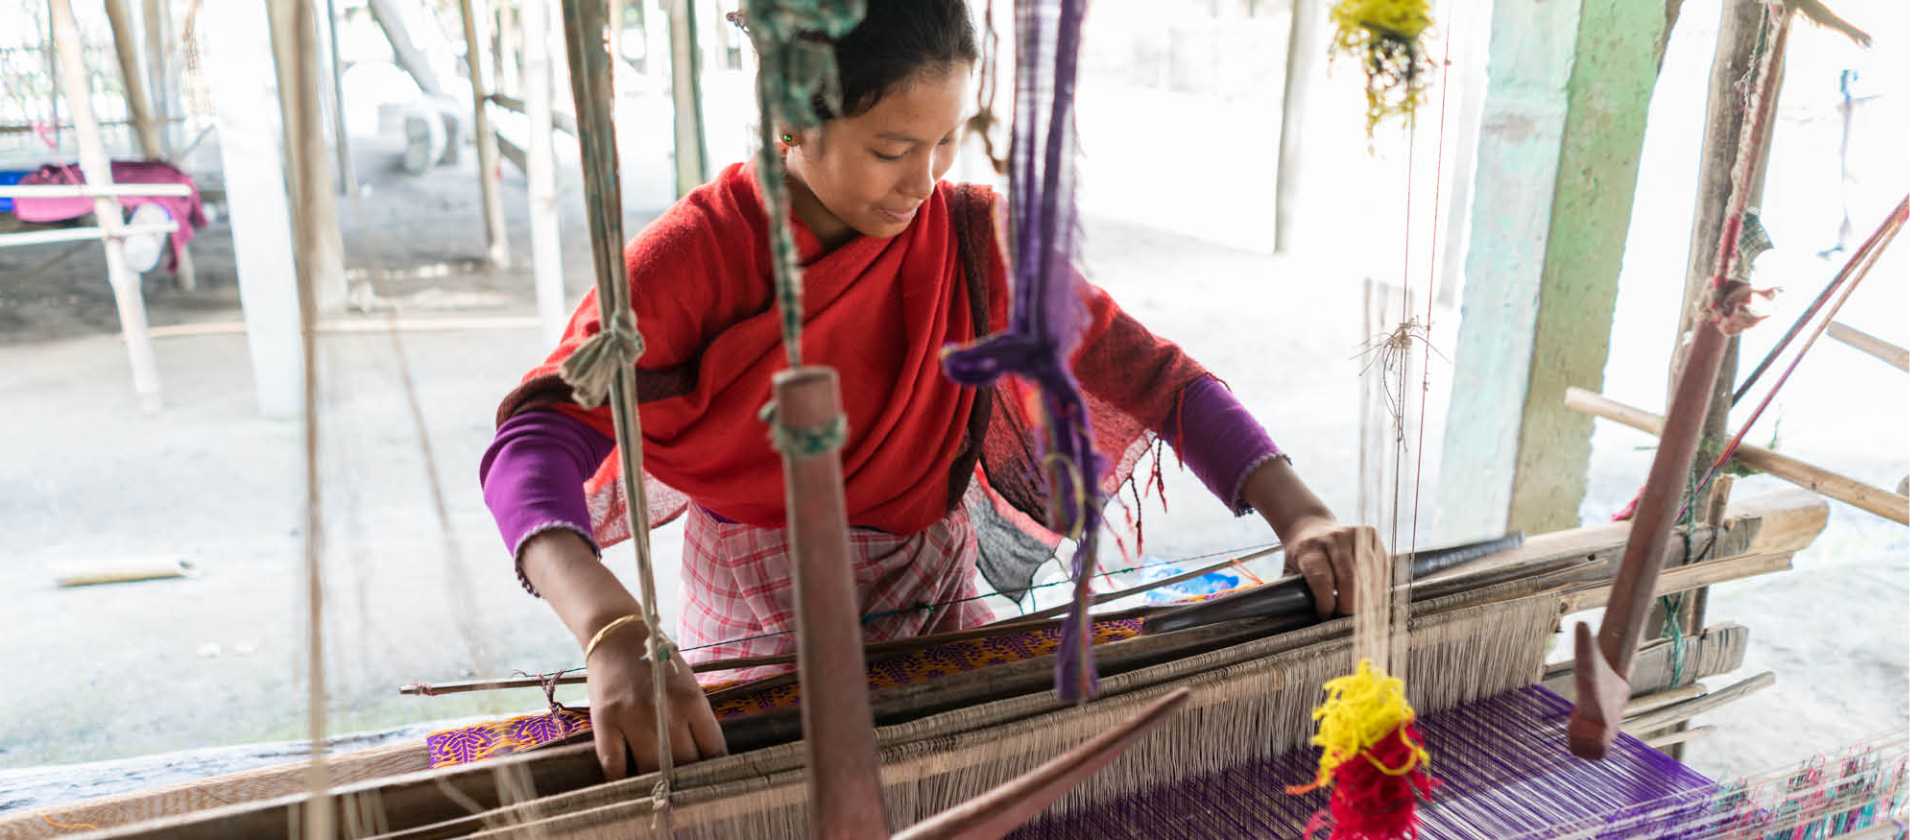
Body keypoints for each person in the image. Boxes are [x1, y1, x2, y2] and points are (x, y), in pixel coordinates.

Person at [479, 0, 1379, 782]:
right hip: (757, 640)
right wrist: (610, 628)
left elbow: (1154, 375)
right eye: (893, 148)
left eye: (946, 140)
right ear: (791, 118)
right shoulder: (696, 258)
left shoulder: (971, 242)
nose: (926, 179)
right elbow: (539, 438)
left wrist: (1299, 514)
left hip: (932, 615)